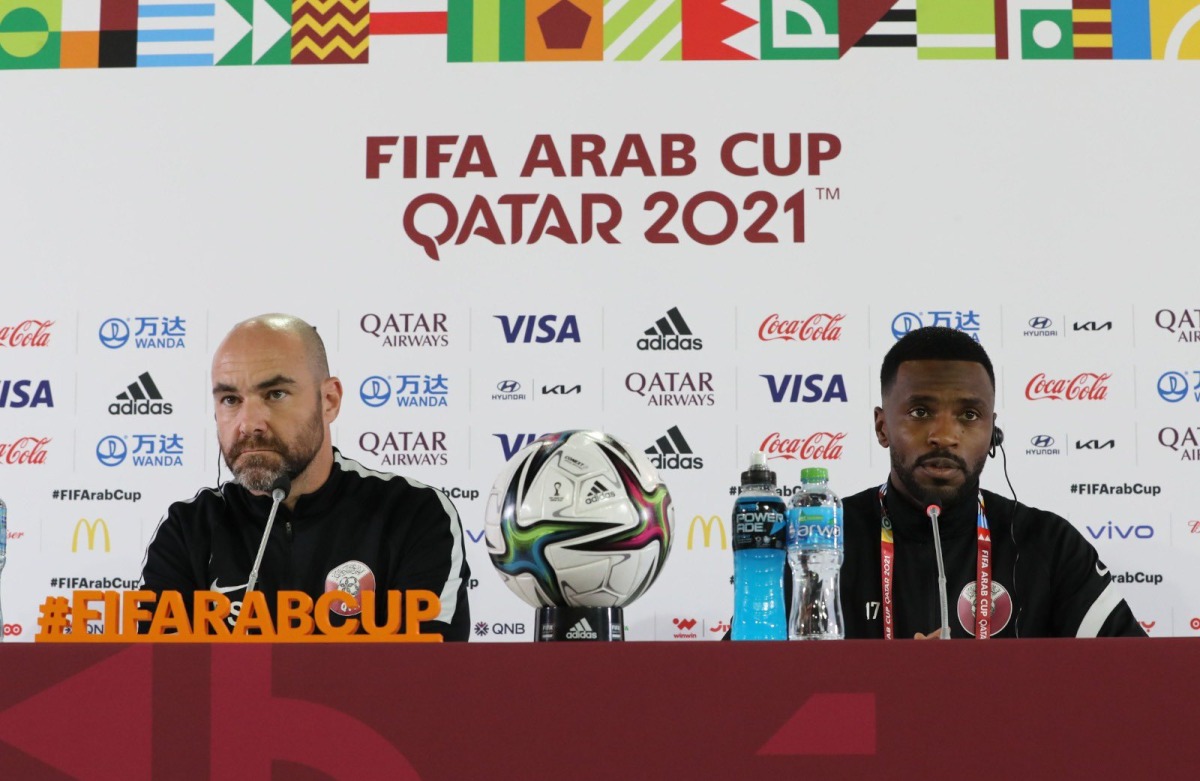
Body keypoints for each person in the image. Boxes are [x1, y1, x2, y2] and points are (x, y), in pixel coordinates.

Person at [140, 313, 471, 640]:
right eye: (230, 400)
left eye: (275, 394)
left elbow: (426, 681)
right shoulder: (187, 529)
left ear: (329, 401)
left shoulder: (413, 514)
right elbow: (161, 682)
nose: (249, 423)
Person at [839, 326, 1145, 639]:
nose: (944, 436)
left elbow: (1135, 674)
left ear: (993, 433)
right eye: (920, 411)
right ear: (882, 427)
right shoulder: (822, 539)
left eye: (969, 415)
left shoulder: (1049, 544)